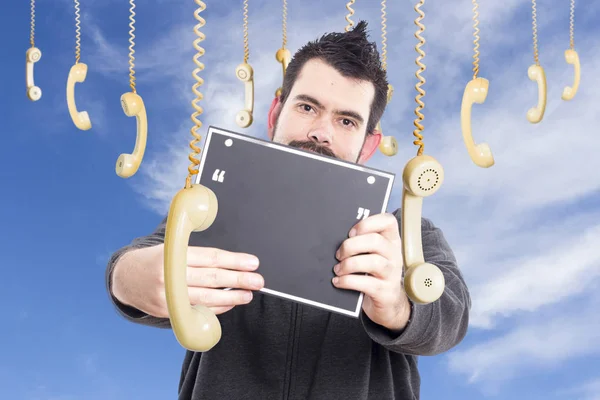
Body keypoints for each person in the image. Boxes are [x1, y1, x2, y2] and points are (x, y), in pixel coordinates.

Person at [106, 20, 471, 400]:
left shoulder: (403, 232)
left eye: (346, 120)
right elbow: (130, 265)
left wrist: (398, 304)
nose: (321, 132)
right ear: (274, 114)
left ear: (368, 145)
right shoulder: (212, 205)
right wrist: (132, 278)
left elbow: (452, 316)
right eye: (307, 106)